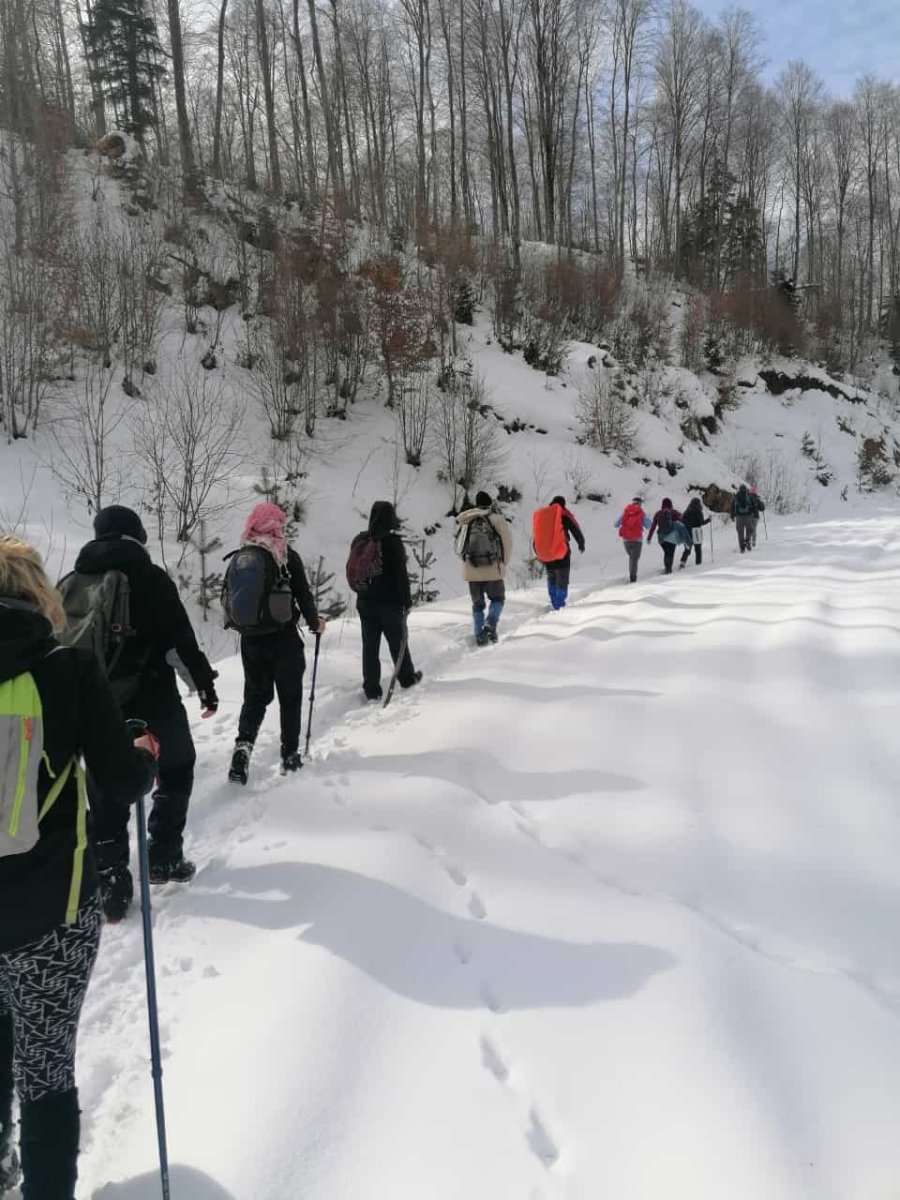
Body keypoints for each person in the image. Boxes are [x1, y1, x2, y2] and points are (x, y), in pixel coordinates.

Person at [0, 537, 157, 1200]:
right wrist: (142, 755)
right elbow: (119, 781)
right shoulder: (67, 670)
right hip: (52, 913)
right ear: (40, 594)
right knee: (45, 1071)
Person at [68, 506, 217, 921]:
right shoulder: (150, 578)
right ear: (137, 535)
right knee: (177, 765)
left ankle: (111, 887)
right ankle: (165, 855)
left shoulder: (75, 579)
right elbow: (180, 643)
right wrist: (204, 687)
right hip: (153, 701)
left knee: (105, 787)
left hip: (96, 704)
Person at [228, 503, 327, 785]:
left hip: (251, 641)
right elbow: (303, 594)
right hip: (283, 640)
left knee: (254, 697)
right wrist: (314, 622)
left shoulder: (241, 555)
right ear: (275, 526)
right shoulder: (284, 554)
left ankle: (242, 750)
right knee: (290, 698)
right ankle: (290, 756)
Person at [353, 502, 422, 701]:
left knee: (370, 646)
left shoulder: (360, 540)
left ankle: (371, 688)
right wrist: (407, 601)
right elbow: (401, 576)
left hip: (365, 601)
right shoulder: (392, 542)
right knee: (397, 642)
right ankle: (406, 678)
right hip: (389, 603)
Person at [454, 491, 513, 645]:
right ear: (490, 504)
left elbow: (458, 547)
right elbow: (507, 543)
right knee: (498, 599)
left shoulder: (467, 520)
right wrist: (502, 563)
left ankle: (479, 635)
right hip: (493, 569)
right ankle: (490, 624)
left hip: (472, 570)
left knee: (477, 605)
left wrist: (468, 563)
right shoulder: (497, 519)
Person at [537, 496, 585, 610]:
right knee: (562, 578)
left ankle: (554, 602)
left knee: (552, 577)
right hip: (561, 552)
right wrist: (581, 543)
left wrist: (538, 550)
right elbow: (575, 528)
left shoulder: (544, 515)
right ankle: (559, 606)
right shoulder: (564, 513)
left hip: (547, 553)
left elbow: (538, 533)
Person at [615, 497, 651, 582]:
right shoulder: (641, 513)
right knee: (634, 559)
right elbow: (648, 525)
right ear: (640, 504)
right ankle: (633, 577)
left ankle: (632, 575)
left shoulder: (626, 511)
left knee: (632, 558)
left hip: (626, 540)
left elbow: (616, 524)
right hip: (637, 540)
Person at [647, 498, 684, 574]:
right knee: (671, 553)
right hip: (672, 536)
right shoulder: (674, 512)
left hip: (661, 537)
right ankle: (669, 569)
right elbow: (681, 523)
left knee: (666, 552)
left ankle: (667, 568)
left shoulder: (658, 513)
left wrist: (649, 537)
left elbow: (653, 526)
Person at [680, 497, 711, 568]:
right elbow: (701, 523)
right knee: (698, 549)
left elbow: (682, 520)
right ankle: (698, 564)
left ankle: (683, 562)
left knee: (687, 548)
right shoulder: (699, 511)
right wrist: (708, 520)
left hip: (687, 532)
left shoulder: (687, 511)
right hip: (697, 531)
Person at [731, 484, 755, 553]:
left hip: (739, 517)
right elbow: (753, 505)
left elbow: (732, 506)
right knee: (750, 529)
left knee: (740, 532)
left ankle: (742, 548)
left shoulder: (736, 496)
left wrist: (732, 515)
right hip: (748, 516)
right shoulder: (748, 495)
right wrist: (752, 513)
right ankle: (747, 541)